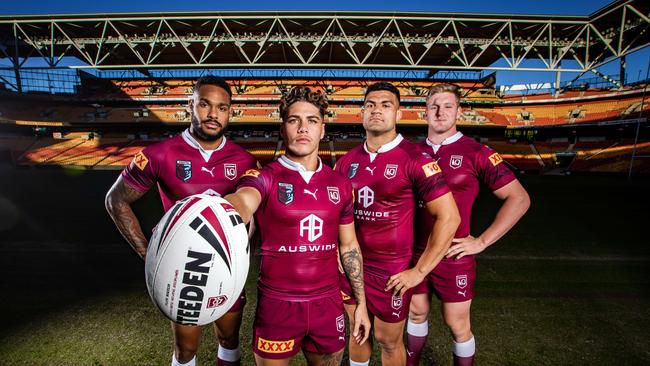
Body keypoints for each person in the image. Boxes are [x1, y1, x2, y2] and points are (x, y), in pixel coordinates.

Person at [105, 75, 258, 366]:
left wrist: (242, 247)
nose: (213, 114)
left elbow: (256, 211)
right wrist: (148, 252)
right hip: (184, 272)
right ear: (191, 105)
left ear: (231, 112)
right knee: (185, 351)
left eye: (222, 108)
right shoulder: (159, 154)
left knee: (229, 340)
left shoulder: (246, 161)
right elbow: (116, 199)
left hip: (227, 267)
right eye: (205, 104)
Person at [225, 86, 371, 366]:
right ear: (283, 128)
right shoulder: (263, 177)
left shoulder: (340, 185)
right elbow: (243, 201)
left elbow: (349, 246)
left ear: (322, 129)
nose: (303, 128)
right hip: (277, 307)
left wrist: (361, 304)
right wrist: (225, 211)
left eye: (312, 121)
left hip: (328, 305)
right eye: (294, 120)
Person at [335, 82, 460, 366]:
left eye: (385, 105)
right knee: (357, 335)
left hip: (391, 271)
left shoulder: (416, 158)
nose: (376, 110)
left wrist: (419, 272)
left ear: (398, 114)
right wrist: (335, 253)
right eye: (370, 105)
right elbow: (335, 214)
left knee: (388, 340)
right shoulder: (345, 163)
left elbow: (449, 217)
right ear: (362, 113)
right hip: (352, 265)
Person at [406, 83, 530, 366]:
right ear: (424, 112)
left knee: (456, 323)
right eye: (434, 105)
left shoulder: (478, 153)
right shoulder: (410, 153)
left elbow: (519, 198)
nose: (440, 112)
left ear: (459, 112)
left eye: (448, 106)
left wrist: (482, 241)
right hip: (415, 252)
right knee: (416, 313)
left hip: (453, 253)